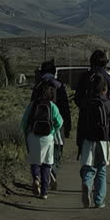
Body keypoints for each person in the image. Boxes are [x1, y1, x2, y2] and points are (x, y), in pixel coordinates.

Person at [77, 74, 110, 209]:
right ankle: (99, 200)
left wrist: (79, 143)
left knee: (89, 168)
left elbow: (80, 126)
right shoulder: (109, 105)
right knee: (101, 171)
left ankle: (87, 184)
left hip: (88, 140)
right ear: (105, 89)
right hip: (104, 141)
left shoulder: (85, 104)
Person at [31, 59, 72, 190]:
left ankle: (43, 179)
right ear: (54, 72)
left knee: (41, 155)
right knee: (56, 154)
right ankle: (50, 176)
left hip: (38, 128)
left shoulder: (38, 86)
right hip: (57, 128)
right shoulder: (59, 86)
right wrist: (68, 127)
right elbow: (65, 109)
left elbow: (32, 107)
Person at [19, 82, 64, 199]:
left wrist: (27, 133)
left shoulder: (32, 105)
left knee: (35, 162)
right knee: (47, 164)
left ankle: (36, 178)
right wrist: (52, 132)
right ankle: (44, 192)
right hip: (48, 138)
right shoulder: (52, 106)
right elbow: (60, 122)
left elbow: (24, 123)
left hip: (33, 136)